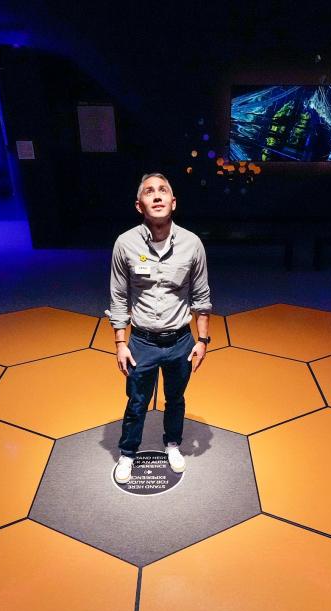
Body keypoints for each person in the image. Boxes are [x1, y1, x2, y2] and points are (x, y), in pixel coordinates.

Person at [106, 172, 212, 483]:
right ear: (139, 205)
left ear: (173, 202)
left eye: (163, 190)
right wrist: (120, 343)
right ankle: (127, 453)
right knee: (137, 400)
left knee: (176, 398)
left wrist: (202, 340)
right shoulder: (124, 244)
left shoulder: (192, 244)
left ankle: (173, 444)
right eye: (149, 191)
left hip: (180, 340)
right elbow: (118, 296)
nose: (156, 195)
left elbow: (201, 296)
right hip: (141, 342)